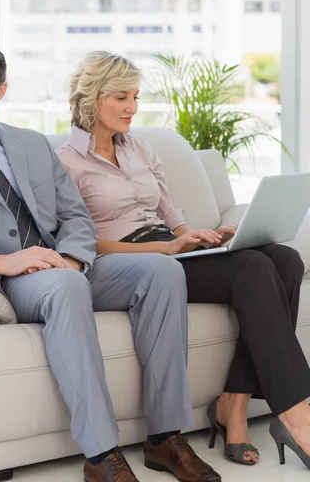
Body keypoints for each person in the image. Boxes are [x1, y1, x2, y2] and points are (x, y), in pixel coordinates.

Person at [0, 39, 222, 482]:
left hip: (64, 265)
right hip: (3, 278)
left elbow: (75, 213)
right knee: (66, 286)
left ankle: (165, 437)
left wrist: (75, 258)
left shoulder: (32, 144)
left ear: (0, 90)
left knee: (164, 271)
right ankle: (101, 455)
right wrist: (2, 261)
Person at [57, 50, 310, 470]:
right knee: (253, 268)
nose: (132, 108)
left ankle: (234, 402)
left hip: (172, 252)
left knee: (284, 259)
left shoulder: (141, 148)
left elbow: (170, 216)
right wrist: (164, 249)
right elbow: (85, 244)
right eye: (121, 97)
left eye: (136, 97)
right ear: (92, 98)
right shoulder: (65, 162)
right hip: (132, 263)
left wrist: (195, 237)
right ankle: (296, 412)